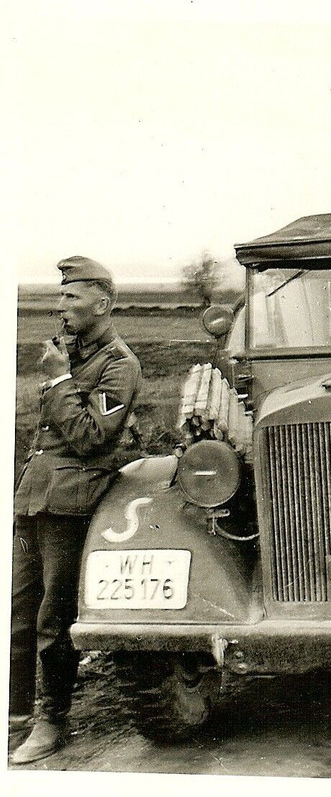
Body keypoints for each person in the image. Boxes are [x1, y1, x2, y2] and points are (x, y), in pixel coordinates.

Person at [9, 257, 142, 764]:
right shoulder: (69, 354)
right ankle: (14, 720)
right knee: (17, 617)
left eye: (71, 297)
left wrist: (58, 382)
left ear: (102, 303)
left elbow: (89, 438)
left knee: (52, 618)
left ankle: (51, 721)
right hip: (34, 498)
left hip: (71, 502)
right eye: (59, 296)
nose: (59, 306)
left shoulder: (118, 363)